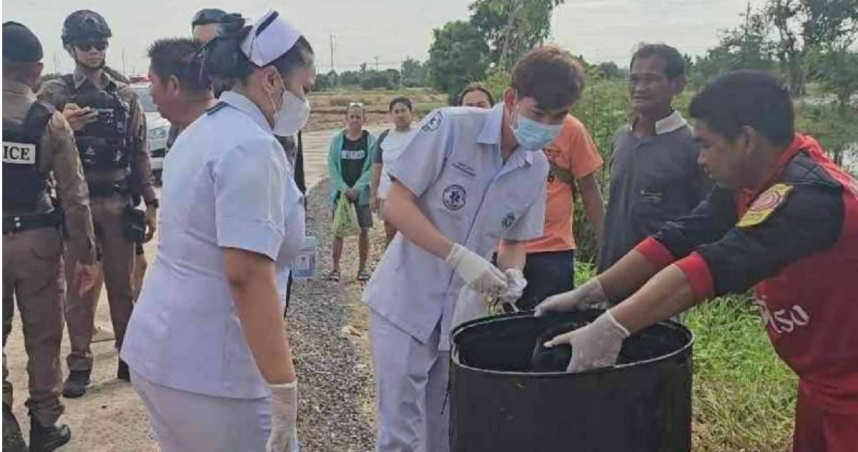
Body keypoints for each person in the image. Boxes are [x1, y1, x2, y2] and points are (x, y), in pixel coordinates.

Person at [538, 70, 858, 452]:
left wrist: (611, 327)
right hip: (824, 382)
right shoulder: (752, 180)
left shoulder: (810, 198)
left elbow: (714, 265)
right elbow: (682, 236)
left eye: (706, 146)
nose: (701, 160)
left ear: (747, 139)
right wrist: (593, 290)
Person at [364, 46, 586, 451]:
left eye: (559, 118)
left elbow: (516, 239)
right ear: (510, 99)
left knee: (444, 429)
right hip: (405, 300)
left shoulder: (534, 167)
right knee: (400, 433)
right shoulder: (450, 127)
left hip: (459, 315)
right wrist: (456, 254)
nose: (547, 127)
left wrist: (513, 273)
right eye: (539, 115)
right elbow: (396, 203)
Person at [121, 10, 314, 451]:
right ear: (270, 79)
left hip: (167, 353)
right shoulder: (251, 147)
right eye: (305, 87)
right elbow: (246, 276)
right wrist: (283, 390)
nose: (307, 100)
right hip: (213, 373)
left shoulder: (204, 130)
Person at [37, 9, 158, 398]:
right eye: (86, 45)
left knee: (123, 289)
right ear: (70, 48)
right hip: (77, 207)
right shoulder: (54, 95)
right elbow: (32, 146)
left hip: (119, 201)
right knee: (79, 290)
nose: (94, 51)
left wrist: (151, 202)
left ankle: (128, 355)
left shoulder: (123, 93)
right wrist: (61, 127)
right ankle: (79, 363)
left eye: (100, 44)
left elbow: (139, 151)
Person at [2, 21, 98, 451]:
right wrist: (87, 257)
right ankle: (44, 423)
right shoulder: (51, 121)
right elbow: (76, 197)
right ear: (37, 68)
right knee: (44, 338)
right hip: (39, 243)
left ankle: (3, 423)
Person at [597, 43, 711, 274]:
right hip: (608, 276)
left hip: (659, 288)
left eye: (650, 79)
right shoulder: (621, 137)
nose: (639, 88)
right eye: (634, 79)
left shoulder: (693, 146)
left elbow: (708, 218)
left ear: (677, 85)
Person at [501, 113, 605, 310]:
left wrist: (606, 244)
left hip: (553, 249)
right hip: (505, 248)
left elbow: (590, 192)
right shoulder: (506, 124)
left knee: (553, 325)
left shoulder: (572, 128)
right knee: (506, 326)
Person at [326, 103, 377, 282]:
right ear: (346, 119)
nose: (355, 120)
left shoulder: (371, 141)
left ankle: (362, 269)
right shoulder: (336, 141)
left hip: (361, 194)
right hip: (341, 194)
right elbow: (331, 167)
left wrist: (358, 188)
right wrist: (344, 188)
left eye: (358, 116)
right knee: (338, 230)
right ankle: (335, 268)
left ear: (364, 119)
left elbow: (372, 168)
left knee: (364, 230)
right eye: (352, 116)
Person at [370, 96, 417, 244]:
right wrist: (373, 195)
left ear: (411, 113)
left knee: (412, 233)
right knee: (390, 231)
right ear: (391, 116)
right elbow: (377, 167)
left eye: (403, 111)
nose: (400, 115)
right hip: (387, 193)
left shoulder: (420, 136)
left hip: (413, 193)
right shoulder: (385, 137)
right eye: (396, 112)